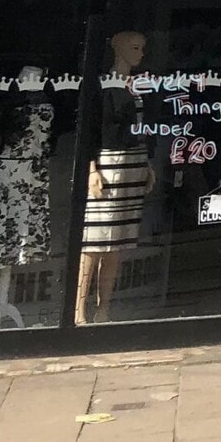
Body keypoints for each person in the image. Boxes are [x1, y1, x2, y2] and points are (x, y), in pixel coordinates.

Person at [75, 30, 151, 325]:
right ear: (118, 49)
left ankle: (104, 308)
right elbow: (90, 129)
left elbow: (142, 128)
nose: (140, 54)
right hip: (108, 163)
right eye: (135, 47)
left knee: (117, 242)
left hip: (133, 163)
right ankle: (78, 309)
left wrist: (147, 164)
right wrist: (91, 168)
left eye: (142, 48)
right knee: (94, 240)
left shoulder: (138, 85)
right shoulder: (103, 85)